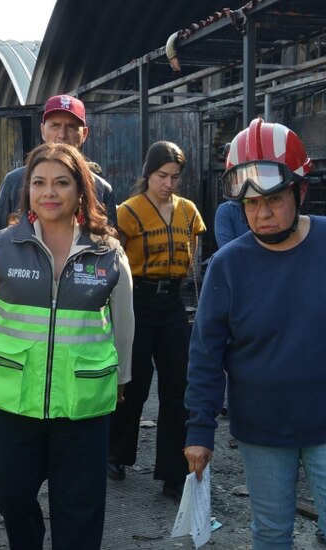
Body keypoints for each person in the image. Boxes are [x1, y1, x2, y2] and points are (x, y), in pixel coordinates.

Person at [183, 119, 326, 549]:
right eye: (250, 205)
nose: (262, 214)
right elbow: (206, 356)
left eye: (273, 200)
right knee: (271, 534)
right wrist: (199, 429)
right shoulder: (228, 267)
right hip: (263, 429)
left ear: (300, 192)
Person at [0, 143, 134, 549]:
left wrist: (122, 377)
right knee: (10, 491)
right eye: (39, 183)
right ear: (27, 191)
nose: (49, 192)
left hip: (83, 404)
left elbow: (124, 325)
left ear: (80, 192)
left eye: (62, 183)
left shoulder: (108, 253)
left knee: (80, 507)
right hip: (15, 402)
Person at [107, 141, 205, 498]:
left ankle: (173, 474)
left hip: (174, 302)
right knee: (133, 383)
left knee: (178, 387)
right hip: (138, 300)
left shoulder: (189, 211)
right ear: (147, 173)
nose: (168, 183)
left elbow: (193, 256)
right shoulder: (128, 212)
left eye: (175, 177)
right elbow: (112, 259)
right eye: (162, 175)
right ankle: (116, 454)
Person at [0, 94, 116, 233]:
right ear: (43, 130)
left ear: (84, 134)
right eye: (55, 125)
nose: (62, 134)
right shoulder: (14, 181)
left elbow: (109, 243)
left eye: (71, 126)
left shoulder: (100, 188)